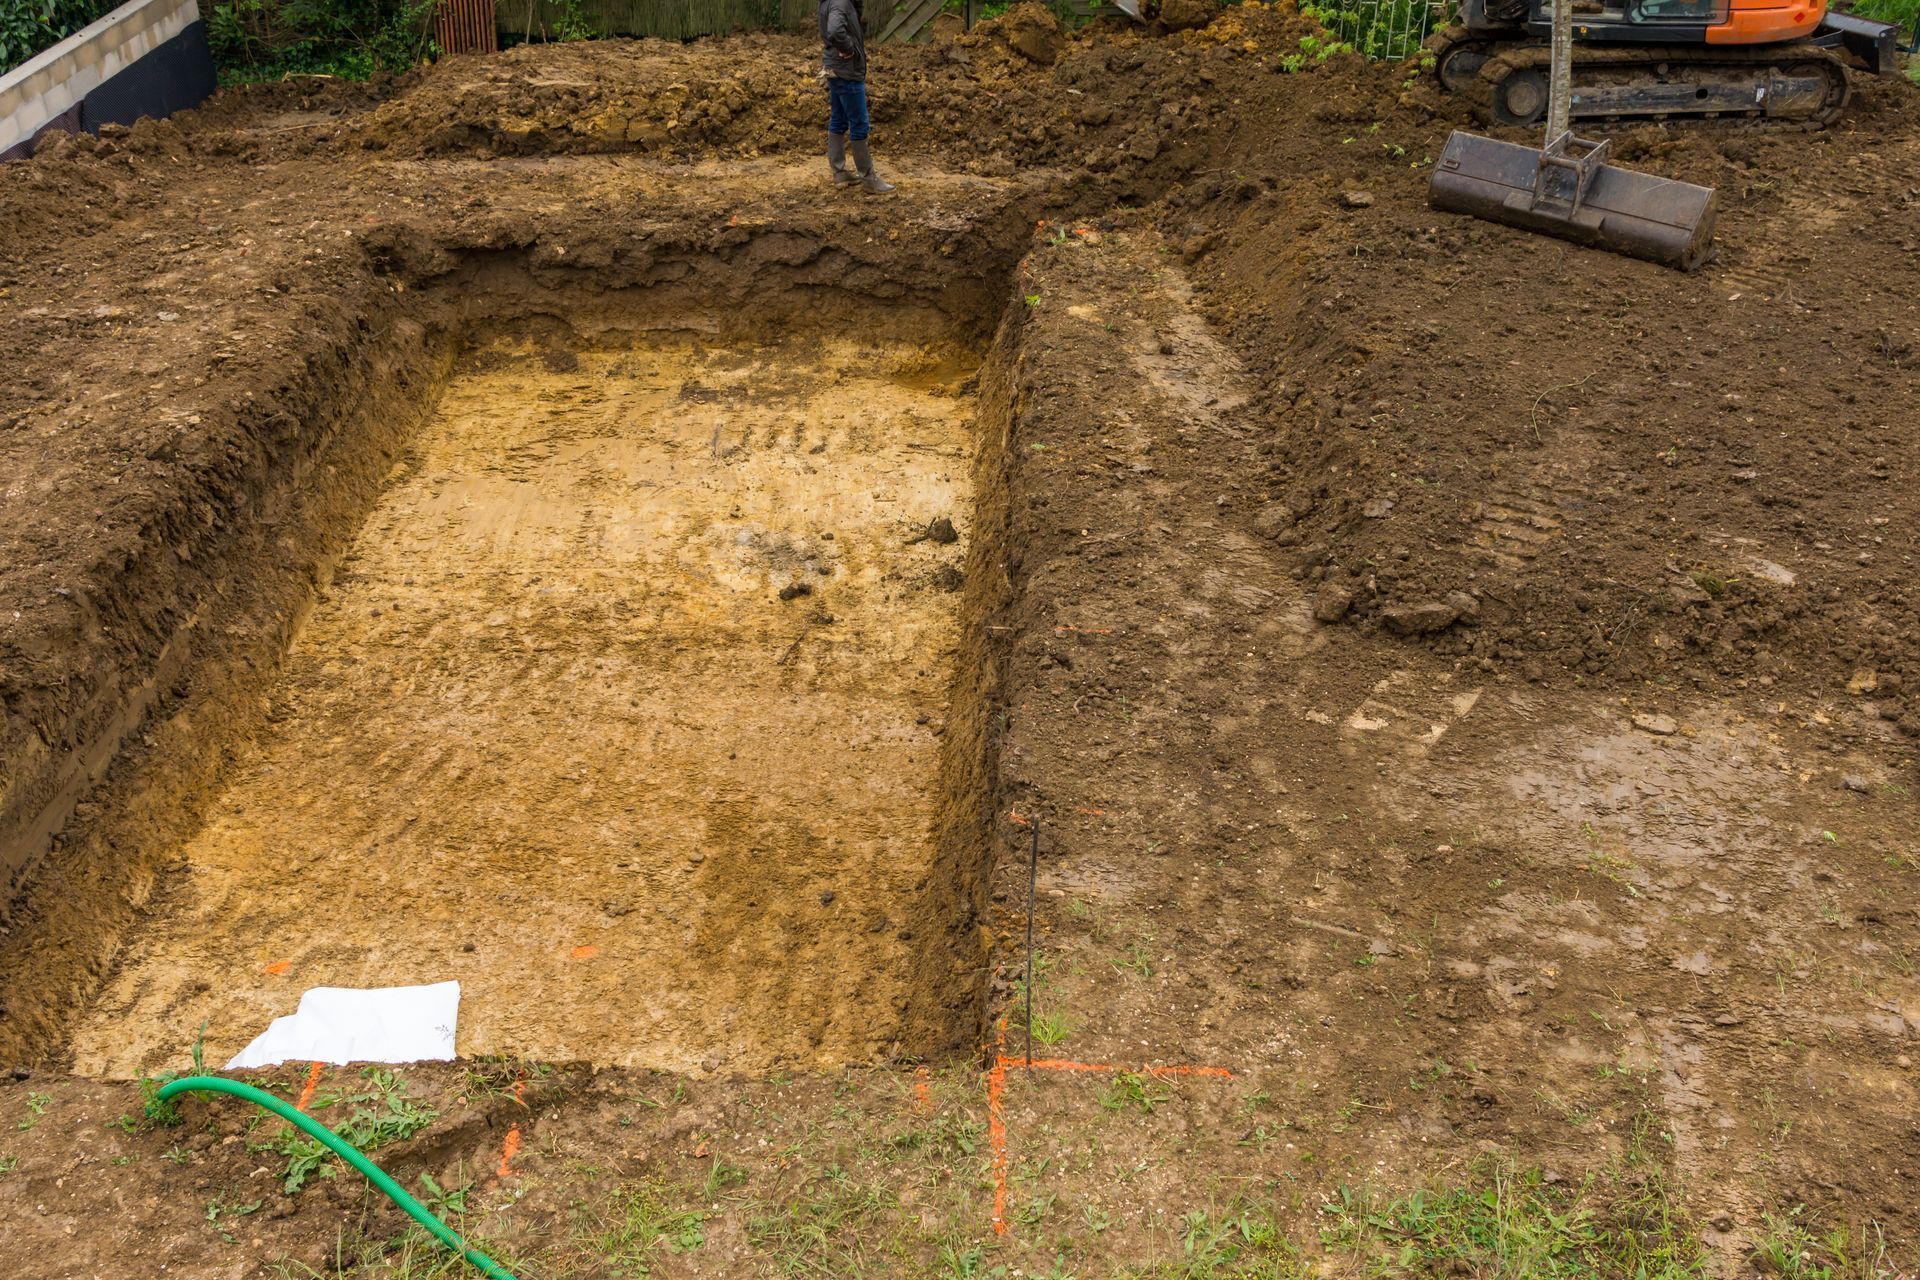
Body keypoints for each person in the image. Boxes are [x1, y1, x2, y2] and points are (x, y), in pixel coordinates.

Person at [819, 0, 894, 193]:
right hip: (847, 71)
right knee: (859, 124)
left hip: (834, 68)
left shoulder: (832, 1)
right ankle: (868, 179)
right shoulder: (841, 3)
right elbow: (835, 31)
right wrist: (848, 49)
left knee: (838, 119)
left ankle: (839, 172)